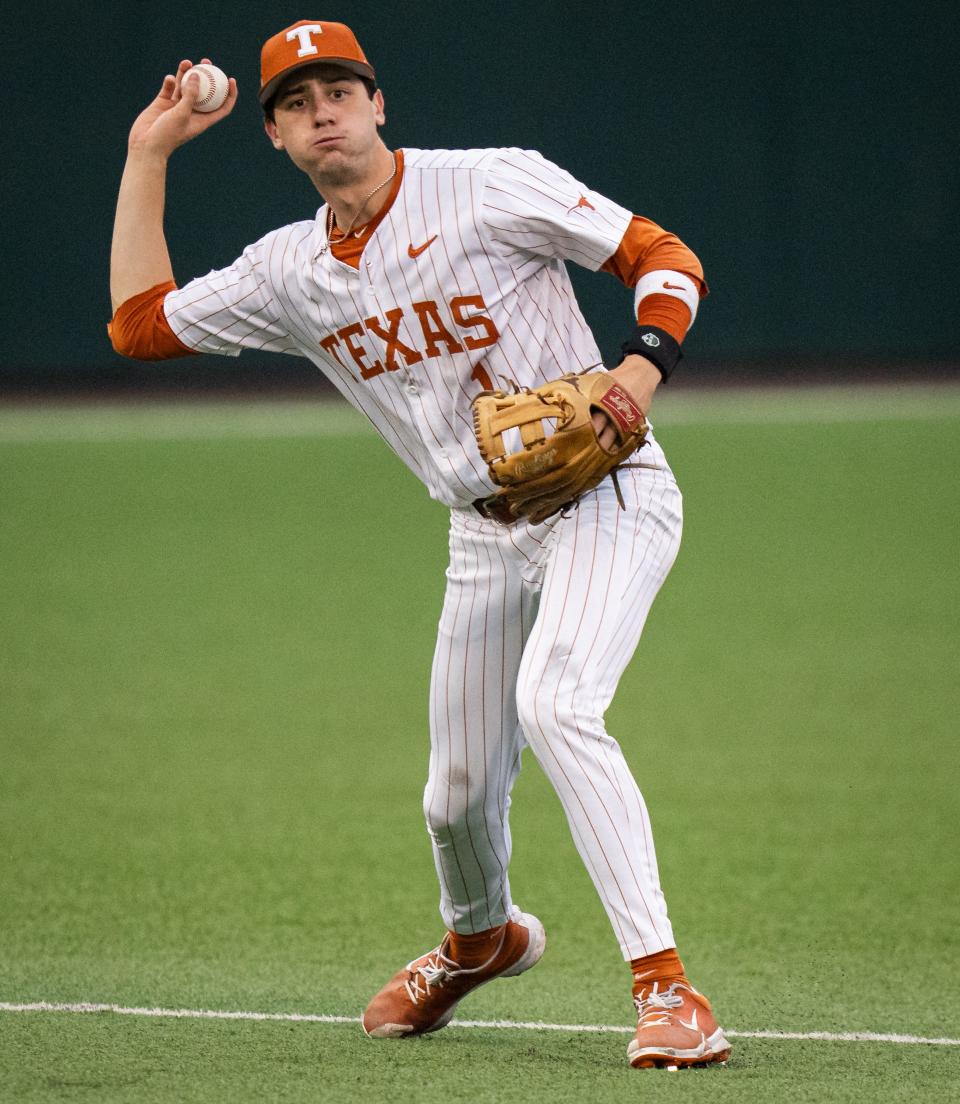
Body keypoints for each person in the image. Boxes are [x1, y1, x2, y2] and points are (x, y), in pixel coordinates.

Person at [109, 20, 730, 1070]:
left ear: (379, 103)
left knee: (558, 703)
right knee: (455, 797)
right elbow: (139, 325)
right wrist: (148, 152)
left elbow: (663, 257)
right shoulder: (288, 269)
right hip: (481, 535)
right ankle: (480, 940)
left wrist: (638, 372)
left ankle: (668, 989)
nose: (325, 114)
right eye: (299, 103)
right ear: (273, 135)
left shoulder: (490, 185)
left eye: (340, 91)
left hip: (606, 493)